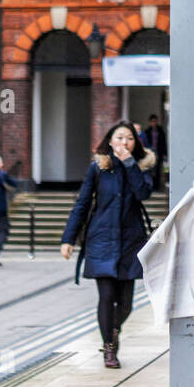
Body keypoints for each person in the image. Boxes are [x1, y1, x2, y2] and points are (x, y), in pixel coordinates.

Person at [60, 121, 156, 368]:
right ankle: (110, 349)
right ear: (110, 142)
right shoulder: (98, 168)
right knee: (106, 296)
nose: (124, 142)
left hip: (129, 241)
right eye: (120, 138)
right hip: (101, 238)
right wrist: (68, 239)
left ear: (136, 143)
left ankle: (111, 330)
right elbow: (82, 204)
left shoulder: (140, 167)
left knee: (125, 304)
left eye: (130, 139)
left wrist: (129, 163)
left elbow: (143, 193)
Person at [140, 113, 166, 190]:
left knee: (158, 169)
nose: (154, 123)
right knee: (150, 169)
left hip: (159, 151)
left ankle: (157, 186)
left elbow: (164, 142)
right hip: (150, 152)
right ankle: (151, 186)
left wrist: (165, 153)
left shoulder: (160, 130)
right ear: (150, 122)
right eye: (152, 121)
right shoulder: (147, 131)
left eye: (155, 121)